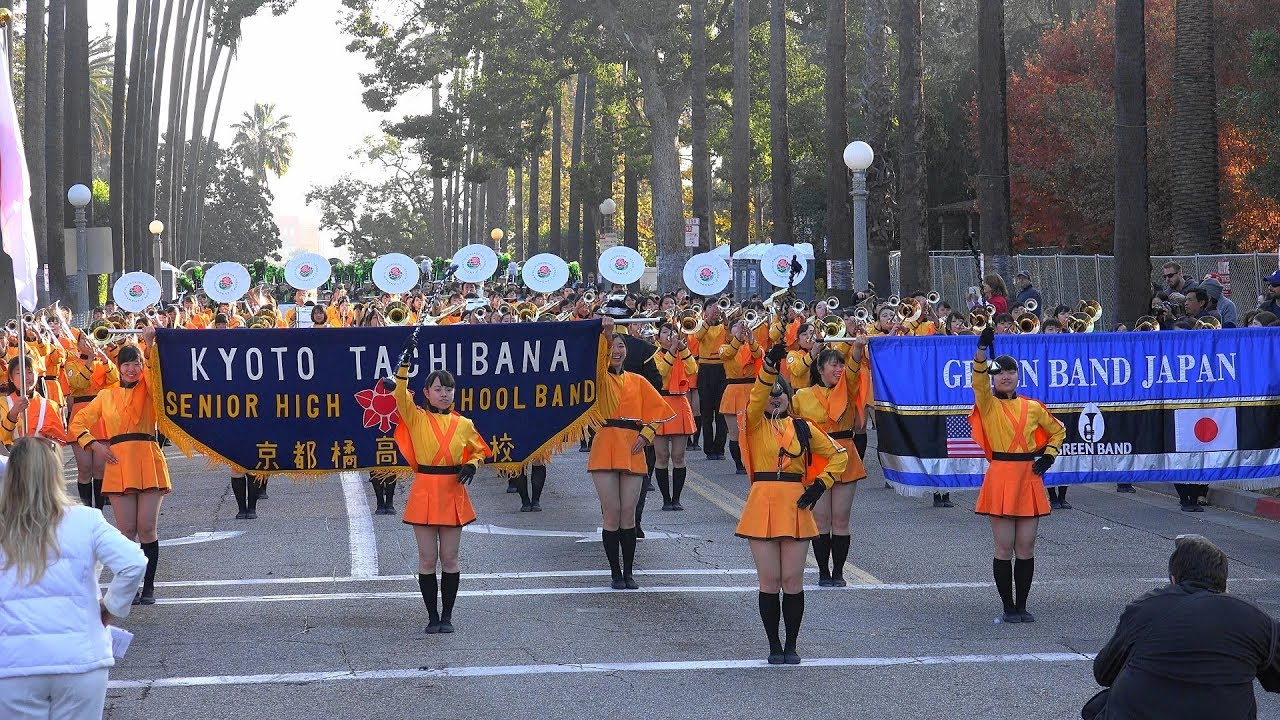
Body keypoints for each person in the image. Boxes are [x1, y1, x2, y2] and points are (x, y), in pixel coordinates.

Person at [0, 437, 147, 719]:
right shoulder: (86, 520)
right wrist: (111, 606)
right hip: (81, 658)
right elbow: (133, 562)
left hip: (13, 663)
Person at [1087, 535, 1280, 720]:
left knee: (1102, 704)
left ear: (1173, 580)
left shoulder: (1147, 607)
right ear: (1224, 582)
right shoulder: (1253, 617)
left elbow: (1104, 673)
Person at [737, 342, 847, 664]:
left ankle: (792, 644)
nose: (774, 397)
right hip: (762, 504)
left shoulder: (802, 427)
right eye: (770, 392)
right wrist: (769, 367)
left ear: (788, 396)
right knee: (769, 582)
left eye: (780, 392)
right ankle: (773, 644)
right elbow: (757, 397)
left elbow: (838, 456)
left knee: (792, 581)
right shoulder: (754, 423)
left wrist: (820, 486)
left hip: (796, 505)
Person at [394, 338, 490, 634]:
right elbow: (399, 395)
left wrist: (473, 464)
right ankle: (431, 616)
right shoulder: (416, 417)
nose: (444, 394)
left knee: (449, 557)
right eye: (438, 389)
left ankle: (447, 615)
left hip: (452, 490)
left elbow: (480, 450)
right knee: (427, 558)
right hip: (425, 488)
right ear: (426, 392)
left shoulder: (465, 424)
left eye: (449, 389)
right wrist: (405, 365)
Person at [971, 326, 1065, 623]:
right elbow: (978, 382)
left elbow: (1058, 430)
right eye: (1000, 373)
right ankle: (1007, 606)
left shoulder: (1033, 406)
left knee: (1026, 546)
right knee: (1004, 547)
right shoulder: (987, 404)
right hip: (1000, 475)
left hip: (1028, 476)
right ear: (994, 378)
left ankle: (1022, 605)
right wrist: (982, 351)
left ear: (1018, 375)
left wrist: (1048, 455)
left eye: (1011, 372)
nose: (1006, 376)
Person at [69, 331, 168, 606]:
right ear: (118, 367)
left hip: (148, 457)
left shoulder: (149, 388)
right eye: (126, 364)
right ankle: (130, 587)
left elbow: (155, 374)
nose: (131, 368)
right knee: (126, 532)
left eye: (135, 363)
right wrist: (95, 446)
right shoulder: (105, 395)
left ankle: (149, 586)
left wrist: (149, 344)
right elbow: (77, 424)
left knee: (147, 528)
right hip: (117, 462)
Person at [589, 331, 674, 589]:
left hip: (633, 447)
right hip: (605, 444)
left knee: (629, 515)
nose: (617, 351)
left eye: (621, 346)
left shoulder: (638, 380)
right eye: (612, 347)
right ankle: (615, 573)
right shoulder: (598, 380)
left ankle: (628, 572)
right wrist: (603, 334)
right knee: (611, 513)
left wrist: (647, 435)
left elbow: (659, 411)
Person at [792, 340, 868, 586]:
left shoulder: (848, 387)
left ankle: (839, 572)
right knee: (821, 520)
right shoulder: (802, 396)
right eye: (834, 365)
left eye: (841, 366)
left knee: (841, 520)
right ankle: (824, 572)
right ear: (821, 368)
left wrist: (858, 346)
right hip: (817, 458)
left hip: (845, 455)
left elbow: (856, 366)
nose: (839, 370)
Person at [653, 324, 697, 511]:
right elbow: (661, 371)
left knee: (678, 456)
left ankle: (676, 498)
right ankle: (665, 499)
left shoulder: (682, 352)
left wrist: (683, 349)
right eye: (665, 333)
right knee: (661, 455)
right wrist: (672, 350)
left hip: (679, 403)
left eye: (671, 332)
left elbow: (693, 369)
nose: (669, 336)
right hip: (661, 402)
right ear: (658, 337)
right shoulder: (654, 354)